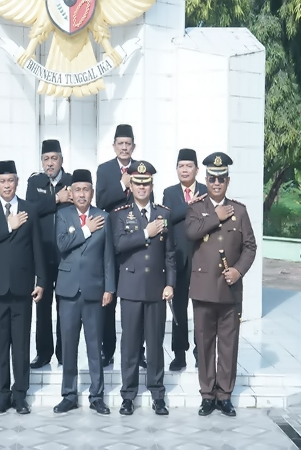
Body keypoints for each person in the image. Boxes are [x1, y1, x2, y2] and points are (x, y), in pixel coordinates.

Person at [186, 152, 257, 417]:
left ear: (228, 181)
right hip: (204, 289)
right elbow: (190, 232)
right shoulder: (196, 207)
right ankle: (207, 394)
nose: (217, 183)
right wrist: (216, 216)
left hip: (229, 289)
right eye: (212, 179)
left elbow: (250, 246)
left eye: (221, 179)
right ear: (205, 180)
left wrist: (238, 271)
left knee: (228, 344)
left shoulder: (240, 210)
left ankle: (224, 395)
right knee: (204, 344)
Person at [0, 160, 46, 415]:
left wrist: (42, 281)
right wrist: (8, 225)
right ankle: (2, 395)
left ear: (17, 182)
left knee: (21, 343)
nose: (7, 186)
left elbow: (37, 247)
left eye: (11, 181)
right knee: (0, 343)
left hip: (22, 287)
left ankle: (20, 394)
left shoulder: (29, 209)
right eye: (2, 181)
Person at [111, 161, 175, 416]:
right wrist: (145, 233)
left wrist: (170, 283)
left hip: (157, 289)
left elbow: (170, 254)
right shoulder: (121, 213)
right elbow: (118, 245)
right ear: (131, 185)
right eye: (137, 183)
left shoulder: (164, 214)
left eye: (146, 183)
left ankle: (158, 393)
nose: (141, 187)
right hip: (130, 288)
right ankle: (128, 395)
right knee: (130, 344)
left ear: (151, 185)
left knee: (155, 344)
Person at [53, 169, 114, 415]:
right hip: (68, 290)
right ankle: (69, 394)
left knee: (93, 344)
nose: (81, 194)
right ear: (71, 192)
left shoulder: (104, 216)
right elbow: (61, 244)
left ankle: (97, 395)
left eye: (85, 189)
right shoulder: (63, 215)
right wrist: (86, 230)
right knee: (68, 344)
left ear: (91, 191)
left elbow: (108, 256)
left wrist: (110, 287)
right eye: (77, 189)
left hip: (94, 290)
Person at [95, 124, 147, 368]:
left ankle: (139, 350)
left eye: (128, 143)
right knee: (109, 297)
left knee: (138, 298)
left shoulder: (141, 168)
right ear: (114, 145)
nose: (124, 147)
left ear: (133, 146)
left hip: (136, 240)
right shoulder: (105, 170)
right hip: (111, 240)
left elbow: (148, 200)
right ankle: (108, 350)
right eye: (120, 143)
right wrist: (123, 184)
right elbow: (102, 201)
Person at [26, 139, 73, 368]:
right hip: (42, 253)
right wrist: (56, 198)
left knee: (64, 305)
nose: (50, 163)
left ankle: (64, 352)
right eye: (46, 159)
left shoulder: (71, 181)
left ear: (62, 159)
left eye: (54, 158)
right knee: (42, 304)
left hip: (65, 254)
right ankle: (43, 352)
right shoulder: (35, 182)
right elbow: (30, 210)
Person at [162, 149, 208, 371]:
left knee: (200, 309)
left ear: (197, 169)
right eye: (181, 166)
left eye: (189, 166)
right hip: (178, 258)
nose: (185, 170)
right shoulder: (169, 193)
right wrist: (190, 206)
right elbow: (167, 218)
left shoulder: (207, 191)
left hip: (200, 258)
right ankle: (179, 354)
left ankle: (201, 352)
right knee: (178, 310)